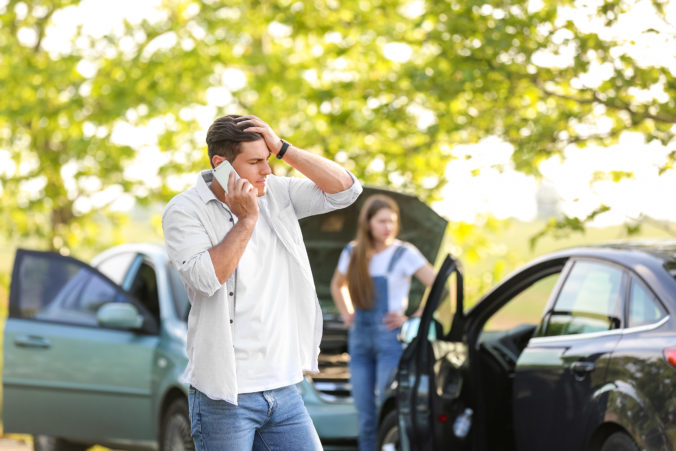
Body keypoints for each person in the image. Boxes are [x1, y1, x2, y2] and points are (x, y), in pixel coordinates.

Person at [162, 114, 362, 451]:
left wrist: (284, 148)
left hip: (284, 389)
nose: (266, 170)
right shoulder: (184, 210)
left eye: (267, 159)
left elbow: (346, 191)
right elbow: (207, 278)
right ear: (220, 164)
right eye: (255, 162)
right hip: (225, 396)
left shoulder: (277, 192)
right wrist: (247, 219)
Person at [330, 194, 436, 451]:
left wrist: (415, 317)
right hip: (360, 341)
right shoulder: (353, 252)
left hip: (391, 341)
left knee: (386, 408)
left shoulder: (405, 253)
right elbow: (337, 285)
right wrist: (347, 313)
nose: (388, 227)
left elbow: (438, 285)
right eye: (382, 221)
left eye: (392, 221)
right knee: (365, 413)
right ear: (368, 223)